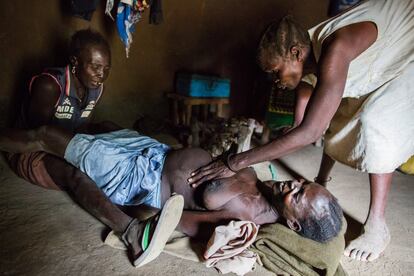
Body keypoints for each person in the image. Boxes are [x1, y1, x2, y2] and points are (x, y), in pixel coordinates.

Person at [188, 0, 414, 262]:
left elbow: (310, 132)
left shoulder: (335, 49)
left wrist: (235, 161)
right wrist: (296, 128)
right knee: (339, 118)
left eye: (276, 72)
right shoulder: (309, 59)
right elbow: (309, 117)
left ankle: (377, 225)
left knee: (377, 122)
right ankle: (322, 178)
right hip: (386, 49)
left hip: (408, 43)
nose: (276, 81)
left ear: (295, 53)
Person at [0, 126, 344, 260]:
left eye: (297, 196)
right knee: (63, 142)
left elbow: (176, 218)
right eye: (302, 183)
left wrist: (137, 225)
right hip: (151, 149)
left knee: (44, 136)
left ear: (294, 224)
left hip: (138, 175)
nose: (292, 185)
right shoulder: (267, 183)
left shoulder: (246, 217)